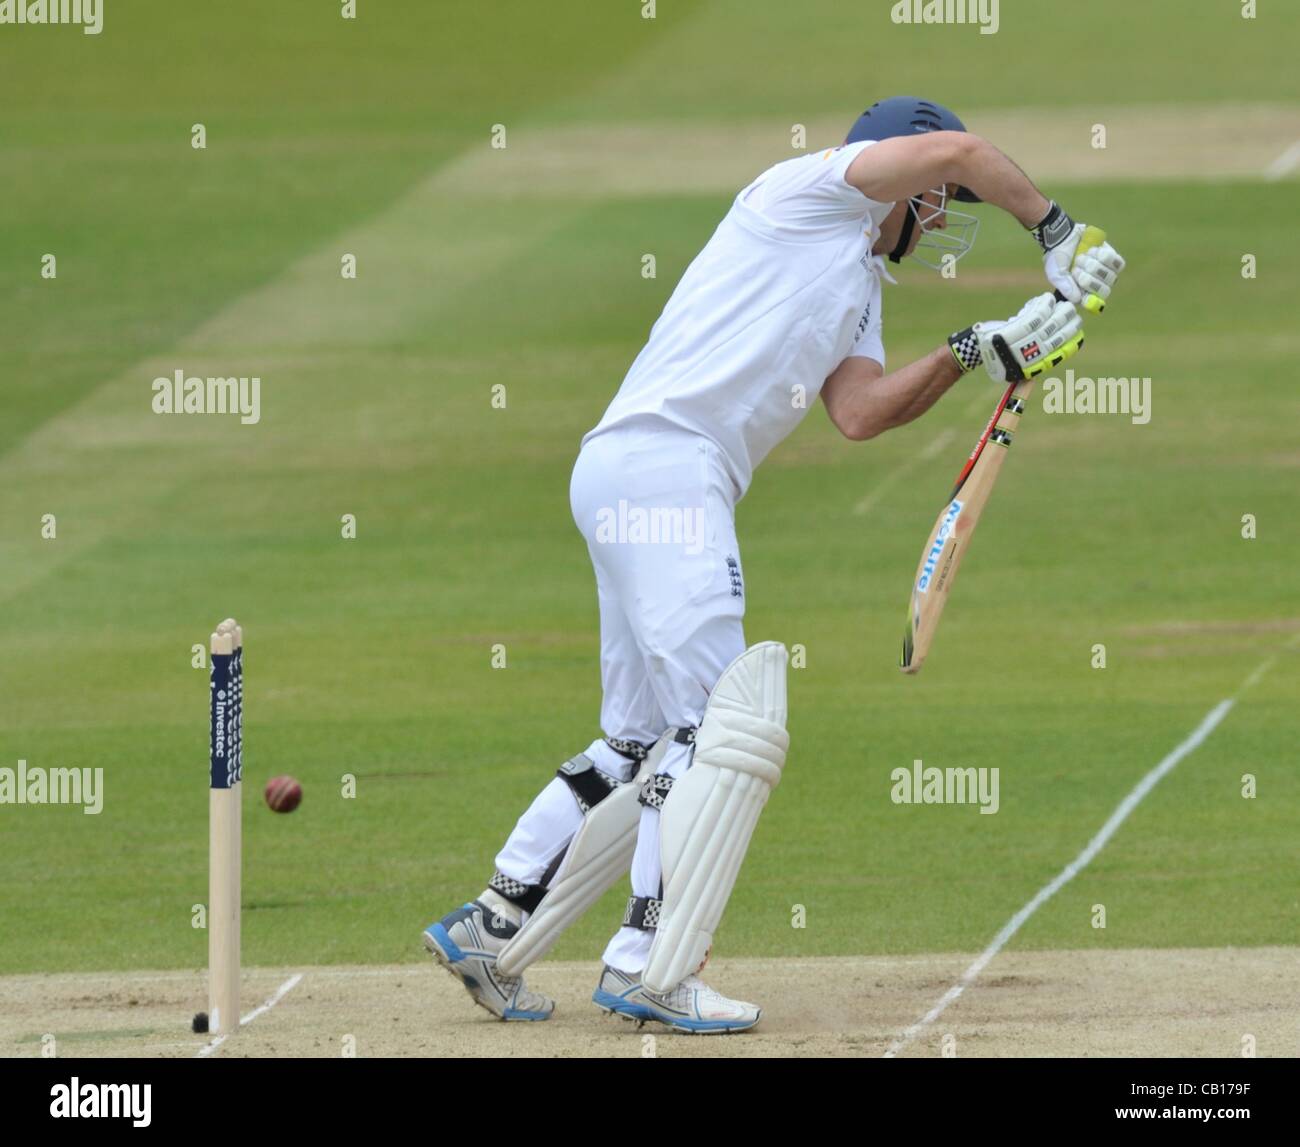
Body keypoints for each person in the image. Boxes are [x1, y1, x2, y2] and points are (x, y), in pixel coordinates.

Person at [423, 96, 1125, 1033]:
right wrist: (1057, 231)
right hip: (669, 474)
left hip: (633, 473)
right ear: (901, 170)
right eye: (937, 194)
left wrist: (977, 350)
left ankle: (493, 920)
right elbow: (960, 146)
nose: (943, 208)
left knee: (639, 741)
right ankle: (649, 964)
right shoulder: (808, 191)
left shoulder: (860, 282)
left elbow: (860, 411)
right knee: (721, 726)